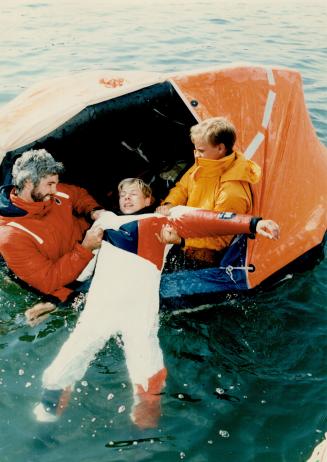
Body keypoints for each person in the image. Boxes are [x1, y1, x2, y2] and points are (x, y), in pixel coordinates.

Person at [34, 206, 279, 428]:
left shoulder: (161, 221)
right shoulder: (106, 223)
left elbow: (207, 220)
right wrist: (55, 299)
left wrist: (254, 224)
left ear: (149, 198)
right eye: (123, 191)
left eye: (135, 190)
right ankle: (46, 423)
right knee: (63, 365)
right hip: (100, 308)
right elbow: (82, 270)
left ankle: (145, 434)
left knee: (146, 372)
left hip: (137, 313)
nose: (128, 195)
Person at [0, 149, 105, 306]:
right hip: (74, 276)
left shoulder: (49, 192)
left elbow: (77, 194)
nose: (55, 190)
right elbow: (49, 280)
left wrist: (93, 210)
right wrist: (85, 249)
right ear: (28, 182)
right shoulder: (10, 236)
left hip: (92, 246)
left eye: (55, 183)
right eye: (50, 184)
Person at [156, 116, 261, 265]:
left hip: (203, 257)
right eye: (195, 150)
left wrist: (181, 241)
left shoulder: (232, 192)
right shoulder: (205, 163)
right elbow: (182, 188)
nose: (196, 155)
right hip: (183, 235)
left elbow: (220, 240)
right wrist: (169, 204)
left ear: (220, 148)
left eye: (201, 150)